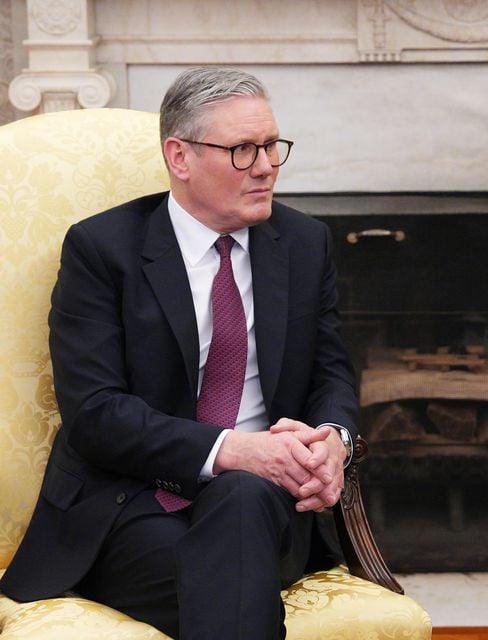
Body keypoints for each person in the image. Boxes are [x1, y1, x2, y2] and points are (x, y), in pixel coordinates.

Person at [0, 67, 358, 639]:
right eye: (242, 150)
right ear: (180, 156)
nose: (266, 166)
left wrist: (333, 443)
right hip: (135, 504)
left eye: (271, 146)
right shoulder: (102, 250)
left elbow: (331, 373)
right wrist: (234, 449)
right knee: (231, 579)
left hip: (267, 505)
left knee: (242, 504)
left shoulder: (304, 243)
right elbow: (95, 412)